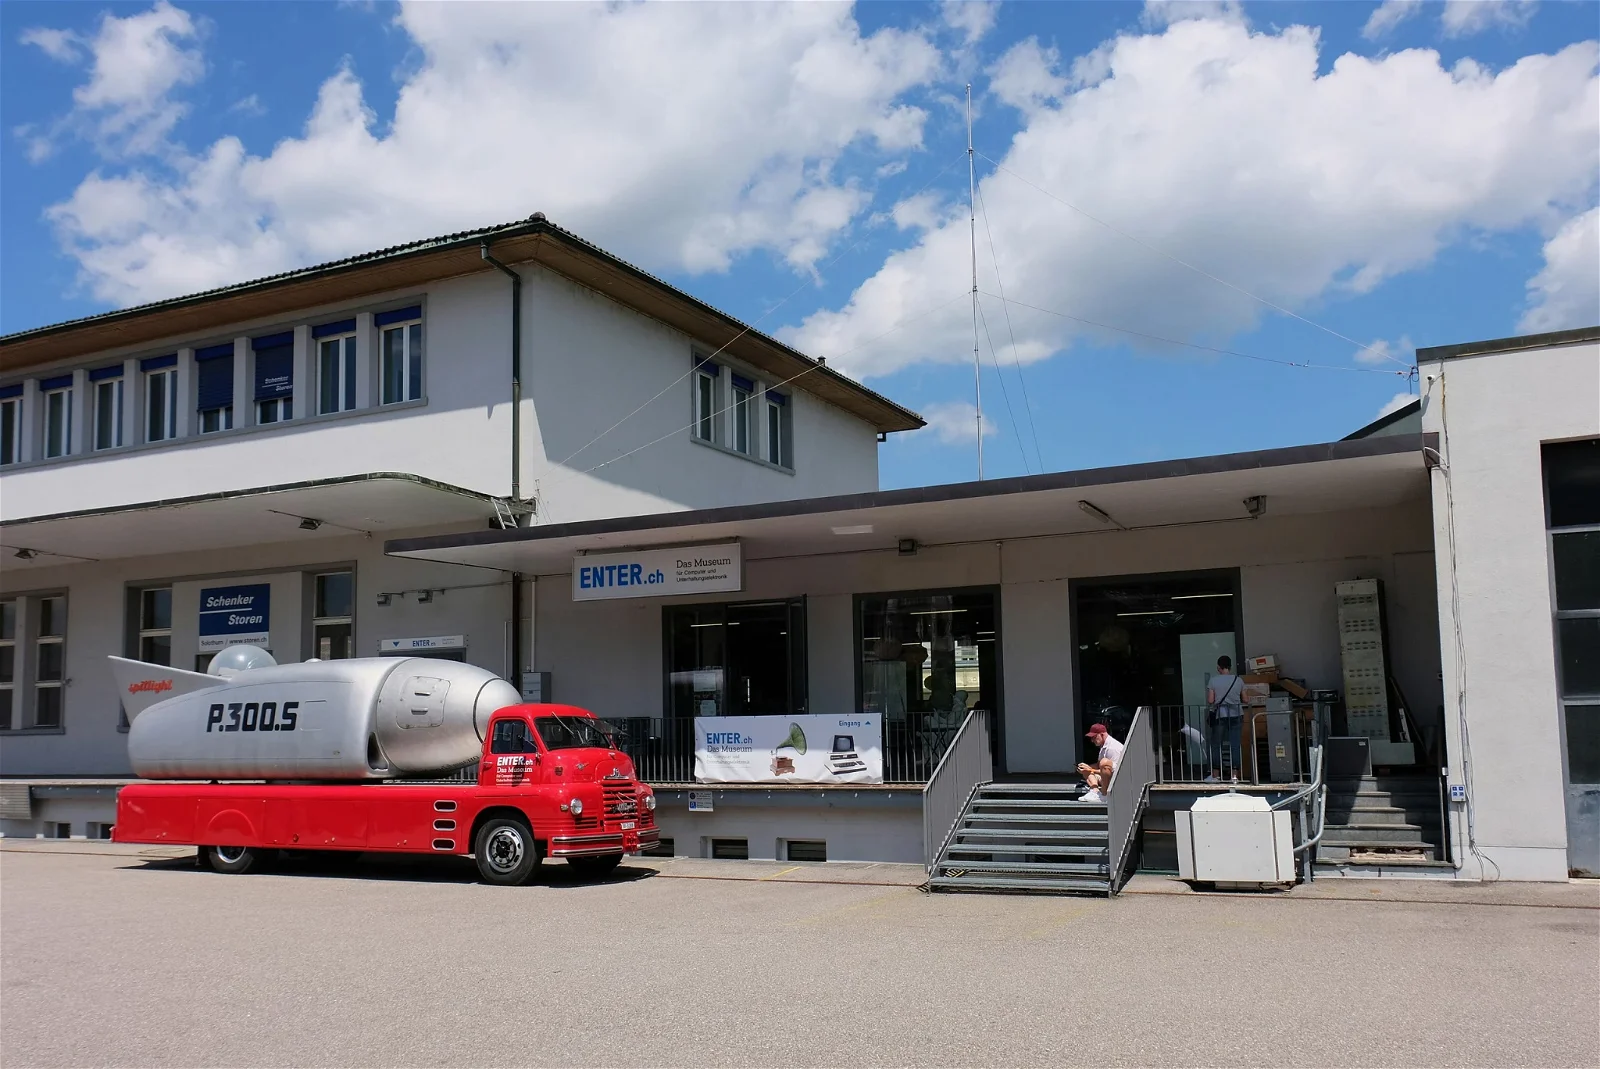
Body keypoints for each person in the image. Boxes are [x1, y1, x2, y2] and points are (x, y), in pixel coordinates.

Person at [1206, 655, 1244, 782]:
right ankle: (1234, 775)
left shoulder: (1213, 680)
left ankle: (1215, 775)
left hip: (1220, 715)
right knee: (1235, 745)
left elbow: (1211, 700)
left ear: (1218, 667)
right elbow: (1246, 699)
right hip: (1237, 714)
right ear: (1230, 667)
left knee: (1216, 745)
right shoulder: (1238, 680)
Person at [1077, 723, 1124, 803]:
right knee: (1087, 768)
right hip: (1107, 777)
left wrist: (1091, 770)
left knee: (1104, 762)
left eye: (1094, 737)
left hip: (1117, 779)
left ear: (1102, 734)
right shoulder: (1104, 746)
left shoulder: (1113, 748)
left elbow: (1114, 770)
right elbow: (1099, 765)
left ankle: (1105, 794)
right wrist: (1086, 767)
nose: (1092, 740)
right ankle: (1095, 792)